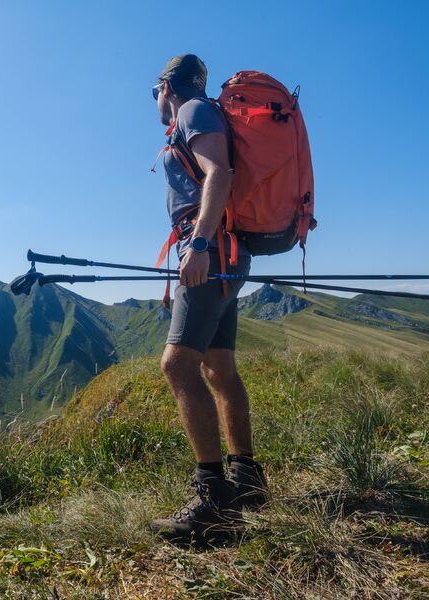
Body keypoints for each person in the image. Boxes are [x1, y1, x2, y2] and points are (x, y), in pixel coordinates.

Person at [148, 54, 268, 544]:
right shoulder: (204, 111)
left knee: (177, 366)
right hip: (224, 251)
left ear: (166, 87)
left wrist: (197, 245)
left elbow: (219, 173)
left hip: (212, 249)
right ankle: (245, 480)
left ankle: (214, 501)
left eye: (152, 92)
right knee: (219, 367)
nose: (154, 102)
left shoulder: (193, 112)